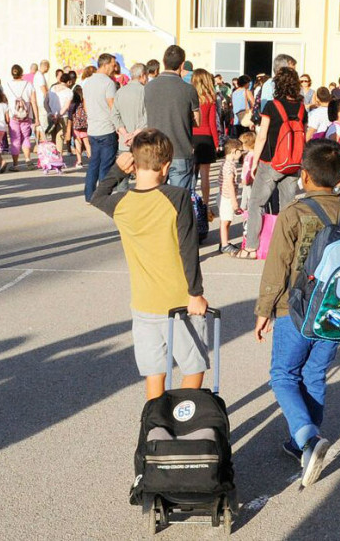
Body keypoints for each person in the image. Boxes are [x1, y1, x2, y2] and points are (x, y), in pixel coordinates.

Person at [253, 138, 340, 488]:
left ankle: (308, 441)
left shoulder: (294, 213)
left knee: (284, 375)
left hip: (295, 308)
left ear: (304, 176)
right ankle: (302, 440)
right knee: (314, 374)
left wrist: (264, 310)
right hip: (335, 311)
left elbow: (277, 267)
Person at [90, 128, 208, 401]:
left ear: (133, 164)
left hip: (143, 303)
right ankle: (184, 420)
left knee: (154, 372)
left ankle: (158, 426)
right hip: (179, 301)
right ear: (166, 165)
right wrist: (196, 292)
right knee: (194, 365)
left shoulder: (121, 203)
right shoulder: (177, 197)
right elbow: (188, 248)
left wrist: (117, 171)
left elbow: (96, 197)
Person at [233, 68, 306, 259]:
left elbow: (262, 136)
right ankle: (286, 247)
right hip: (292, 163)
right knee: (287, 207)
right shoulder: (300, 107)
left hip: (271, 161)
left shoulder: (272, 106)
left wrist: (254, 161)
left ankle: (251, 247)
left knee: (257, 203)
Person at [144, 45, 200, 192]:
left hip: (155, 149)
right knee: (179, 199)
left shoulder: (148, 87)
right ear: (182, 64)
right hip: (180, 150)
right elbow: (197, 121)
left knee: (155, 196)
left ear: (163, 62)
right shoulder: (188, 89)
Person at [82, 53, 119, 202]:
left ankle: (89, 195)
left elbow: (85, 106)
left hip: (93, 129)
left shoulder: (87, 82)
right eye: (113, 64)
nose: (114, 68)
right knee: (106, 165)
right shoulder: (108, 83)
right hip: (106, 128)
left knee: (93, 164)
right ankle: (102, 196)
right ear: (105, 65)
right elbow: (112, 106)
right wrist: (118, 126)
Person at [191, 68, 220, 210]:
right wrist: (216, 142)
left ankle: (190, 201)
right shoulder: (210, 99)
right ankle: (206, 204)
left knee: (191, 175)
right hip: (206, 137)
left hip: (191, 137)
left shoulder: (189, 97)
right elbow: (212, 123)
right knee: (205, 176)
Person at [2, 64, 37, 170]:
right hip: (26, 115)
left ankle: (16, 164)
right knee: (26, 137)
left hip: (13, 115)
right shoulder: (29, 84)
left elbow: (4, 101)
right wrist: (37, 118)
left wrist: (6, 115)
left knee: (15, 139)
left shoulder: (7, 85)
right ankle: (27, 159)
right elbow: (33, 102)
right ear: (22, 73)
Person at [113, 63, 147, 157]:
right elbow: (147, 117)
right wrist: (134, 134)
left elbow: (115, 115)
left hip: (124, 143)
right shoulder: (145, 91)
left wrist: (125, 135)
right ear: (143, 75)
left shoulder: (120, 92)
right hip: (141, 142)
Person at [218, 138, 244, 254]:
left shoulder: (226, 162)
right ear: (234, 151)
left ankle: (224, 241)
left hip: (222, 195)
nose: (241, 153)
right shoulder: (230, 166)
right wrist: (234, 202)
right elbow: (230, 184)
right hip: (227, 197)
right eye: (240, 151)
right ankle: (224, 245)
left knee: (225, 221)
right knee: (226, 221)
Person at [70, 84, 89, 168]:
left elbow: (70, 114)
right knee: (87, 143)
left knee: (78, 142)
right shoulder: (84, 103)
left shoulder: (73, 104)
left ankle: (79, 161)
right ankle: (91, 157)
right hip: (85, 125)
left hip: (76, 125)